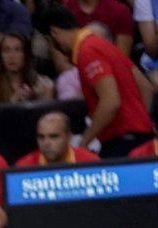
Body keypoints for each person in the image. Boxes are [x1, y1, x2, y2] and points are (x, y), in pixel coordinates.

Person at [39, 7, 155, 157]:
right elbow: (145, 87)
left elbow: (110, 102)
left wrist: (85, 141)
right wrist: (141, 124)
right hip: (143, 141)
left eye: (48, 42)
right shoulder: (103, 45)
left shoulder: (87, 51)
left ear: (54, 32)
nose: (51, 48)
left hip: (121, 144)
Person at [0, 31, 54, 105]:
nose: (11, 56)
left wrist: (42, 95)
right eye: (6, 50)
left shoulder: (40, 83)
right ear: (0, 55)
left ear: (26, 55)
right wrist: (13, 101)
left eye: (17, 50)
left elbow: (46, 112)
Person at [16, 110, 99, 165]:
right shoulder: (24, 166)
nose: (46, 143)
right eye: (41, 137)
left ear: (68, 137)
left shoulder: (90, 162)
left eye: (53, 137)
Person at [64, 0, 134, 54]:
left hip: (109, 66)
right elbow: (62, 62)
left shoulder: (120, 11)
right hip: (74, 67)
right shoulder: (64, 10)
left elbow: (121, 58)